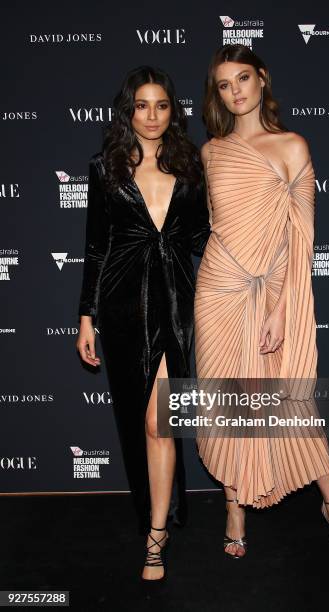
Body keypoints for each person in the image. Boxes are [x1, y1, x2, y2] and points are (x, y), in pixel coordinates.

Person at [194, 44, 329, 561]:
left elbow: (302, 237)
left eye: (243, 78)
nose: (236, 91)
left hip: (273, 291)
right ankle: (233, 507)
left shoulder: (292, 145)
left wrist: (279, 308)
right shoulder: (211, 151)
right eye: (224, 85)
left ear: (262, 79)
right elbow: (215, 224)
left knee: (292, 405)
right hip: (218, 290)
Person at [76, 65, 211, 581]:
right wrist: (86, 315)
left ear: (173, 110)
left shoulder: (191, 167)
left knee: (162, 422)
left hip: (176, 302)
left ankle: (157, 536)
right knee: (143, 423)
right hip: (122, 304)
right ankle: (154, 519)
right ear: (127, 110)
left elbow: (204, 238)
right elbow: (95, 248)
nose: (151, 116)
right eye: (141, 105)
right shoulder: (104, 168)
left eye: (161, 105)